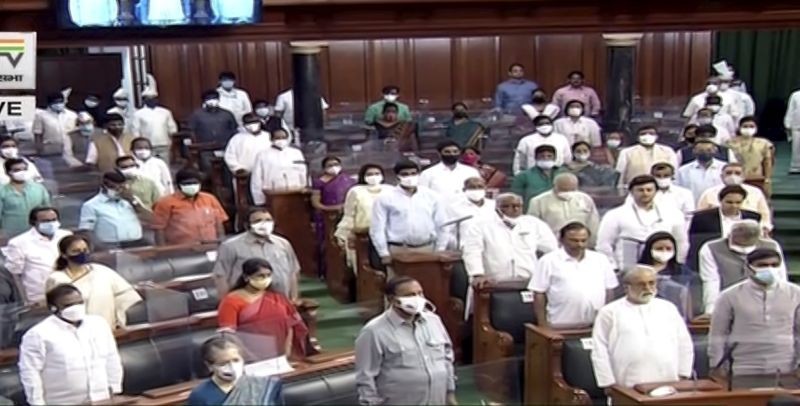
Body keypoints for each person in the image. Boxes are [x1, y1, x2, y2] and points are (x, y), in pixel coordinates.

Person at [355, 276, 457, 406]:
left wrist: (450, 392)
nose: (418, 298)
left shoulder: (433, 321)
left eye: (420, 293)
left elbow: (447, 358)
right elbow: (365, 376)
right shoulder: (373, 331)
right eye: (410, 295)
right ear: (392, 299)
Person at [18, 284, 123, 405]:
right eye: (68, 305)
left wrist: (115, 388)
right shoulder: (38, 335)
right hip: (63, 402)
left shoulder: (98, 324)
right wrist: (37, 403)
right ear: (53, 308)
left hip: (102, 398)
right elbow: (30, 372)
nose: (76, 308)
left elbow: (112, 358)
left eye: (80, 303)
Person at [591, 266, 694, 388]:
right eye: (641, 284)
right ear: (627, 288)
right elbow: (599, 349)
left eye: (651, 283)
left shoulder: (668, 308)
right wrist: (608, 384)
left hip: (670, 382)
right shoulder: (609, 312)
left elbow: (684, 343)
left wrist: (683, 374)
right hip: (626, 386)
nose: (647, 288)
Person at [709, 248, 800, 376]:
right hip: (743, 366)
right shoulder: (729, 296)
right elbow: (718, 334)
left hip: (786, 366)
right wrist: (716, 365)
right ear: (748, 267)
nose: (769, 269)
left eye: (774, 265)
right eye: (762, 265)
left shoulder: (796, 293)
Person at [218, 258, 308, 360]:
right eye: (260, 276)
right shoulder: (231, 301)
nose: (265, 279)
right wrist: (250, 357)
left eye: (268, 275)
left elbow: (291, 325)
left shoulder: (277, 297)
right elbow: (229, 334)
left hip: (281, 357)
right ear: (246, 277)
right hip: (249, 358)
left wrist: (287, 351)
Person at [531, 222, 617, 328]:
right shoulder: (548, 261)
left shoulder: (601, 259)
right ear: (561, 240)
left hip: (595, 325)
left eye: (583, 240)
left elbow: (609, 290)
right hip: (559, 325)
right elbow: (539, 293)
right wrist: (542, 324)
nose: (580, 244)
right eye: (574, 240)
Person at [45, 235, 142, 328]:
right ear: (64, 255)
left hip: (106, 326)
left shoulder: (101, 270)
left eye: (85, 250)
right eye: (76, 251)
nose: (82, 254)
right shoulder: (56, 278)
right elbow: (57, 308)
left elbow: (125, 295)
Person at [461, 192, 558, 284]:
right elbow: (472, 252)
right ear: (497, 208)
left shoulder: (534, 224)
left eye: (518, 206)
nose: (515, 209)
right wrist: (477, 274)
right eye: (507, 206)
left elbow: (552, 249)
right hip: (493, 282)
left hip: (528, 281)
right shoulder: (480, 225)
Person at [596, 175, 687, 272]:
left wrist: (678, 264)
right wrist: (613, 267)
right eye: (640, 190)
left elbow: (681, 241)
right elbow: (604, 244)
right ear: (631, 192)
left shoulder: (673, 213)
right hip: (627, 269)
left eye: (649, 190)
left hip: (664, 268)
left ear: (656, 191)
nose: (645, 193)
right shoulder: (615, 215)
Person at [698, 220, 786, 315]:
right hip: (728, 302)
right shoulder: (710, 248)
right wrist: (711, 310)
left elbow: (780, 277)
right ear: (729, 235)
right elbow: (711, 281)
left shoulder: (772, 246)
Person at [370, 160, 447, 267]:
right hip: (398, 250)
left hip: (427, 248)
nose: (410, 177)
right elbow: (377, 228)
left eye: (413, 173)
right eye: (405, 174)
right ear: (397, 176)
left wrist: (440, 249)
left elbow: (442, 225)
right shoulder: (384, 198)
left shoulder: (432, 196)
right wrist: (384, 253)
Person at [214, 207, 300, 299]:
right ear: (247, 225)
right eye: (258, 220)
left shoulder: (283, 244)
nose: (264, 224)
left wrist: (293, 298)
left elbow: (293, 272)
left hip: (281, 300)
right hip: (247, 302)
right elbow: (221, 275)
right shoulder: (230, 246)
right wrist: (225, 302)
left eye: (268, 220)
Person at [187, 334, 282, 406]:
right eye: (223, 363)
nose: (232, 367)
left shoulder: (263, 386)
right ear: (210, 366)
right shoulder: (200, 396)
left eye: (236, 360)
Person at [2, 207, 71, 304]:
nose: (51, 223)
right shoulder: (18, 243)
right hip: (38, 297)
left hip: (68, 291)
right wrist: (23, 300)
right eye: (45, 221)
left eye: (53, 220)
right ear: (33, 222)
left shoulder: (66, 235)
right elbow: (14, 274)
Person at [152, 169, 228, 245]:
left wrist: (221, 242)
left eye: (194, 183)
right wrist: (162, 249)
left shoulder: (210, 199)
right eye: (187, 183)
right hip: (180, 248)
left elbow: (219, 223)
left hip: (210, 246)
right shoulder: (165, 203)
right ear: (178, 185)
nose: (191, 185)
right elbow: (159, 229)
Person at [335, 164, 387, 272]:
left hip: (388, 233)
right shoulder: (356, 191)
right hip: (364, 234)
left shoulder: (390, 190)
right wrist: (347, 233)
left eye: (377, 173)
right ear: (363, 176)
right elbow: (349, 214)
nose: (374, 176)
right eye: (370, 174)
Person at [311, 156, 356, 277]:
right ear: (324, 168)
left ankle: (346, 272)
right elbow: (315, 203)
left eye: (336, 164)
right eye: (330, 165)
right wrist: (333, 208)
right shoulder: (319, 182)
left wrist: (345, 208)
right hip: (326, 217)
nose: (333, 167)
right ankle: (326, 273)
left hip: (346, 215)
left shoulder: (348, 180)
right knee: (325, 244)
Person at [79, 171, 147, 249]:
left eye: (122, 187)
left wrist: (132, 201)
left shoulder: (131, 201)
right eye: (115, 187)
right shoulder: (91, 205)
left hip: (137, 242)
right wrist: (101, 247)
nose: (119, 191)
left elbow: (149, 218)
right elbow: (86, 230)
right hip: (111, 245)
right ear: (104, 186)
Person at [696, 162, 772, 230]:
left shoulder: (756, 192)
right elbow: (699, 216)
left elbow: (765, 216)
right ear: (721, 176)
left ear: (743, 176)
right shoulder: (709, 193)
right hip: (717, 230)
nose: (733, 176)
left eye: (737, 173)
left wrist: (764, 228)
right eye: (728, 173)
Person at [528, 172, 600, 243]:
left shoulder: (585, 199)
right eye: (563, 190)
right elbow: (533, 226)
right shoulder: (538, 201)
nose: (567, 193)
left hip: (579, 242)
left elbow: (593, 223)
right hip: (551, 243)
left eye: (571, 190)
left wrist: (592, 243)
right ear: (555, 186)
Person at [637, 232, 695, 319]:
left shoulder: (682, 271)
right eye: (659, 248)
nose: (664, 251)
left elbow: (687, 298)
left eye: (668, 248)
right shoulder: (638, 270)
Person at [250, 128, 308, 205]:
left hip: (295, 192)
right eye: (277, 138)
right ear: (271, 139)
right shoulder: (262, 155)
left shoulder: (296, 153)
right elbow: (257, 178)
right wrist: (259, 199)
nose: (281, 140)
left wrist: (305, 189)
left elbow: (303, 172)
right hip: (273, 194)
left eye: (283, 137)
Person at [0, 158, 51, 238]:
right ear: (8, 173)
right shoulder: (2, 191)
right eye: (17, 170)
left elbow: (47, 210)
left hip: (36, 233)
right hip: (11, 233)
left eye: (24, 169)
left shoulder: (39, 188)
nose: (22, 172)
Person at [442, 177, 496, 250]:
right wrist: (458, 245)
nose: (476, 190)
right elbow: (446, 231)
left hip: (492, 248)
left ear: (485, 188)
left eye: (480, 187)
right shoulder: (454, 208)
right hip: (465, 249)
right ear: (464, 190)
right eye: (472, 187)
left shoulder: (494, 206)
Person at [690, 185, 761, 240]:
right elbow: (695, 242)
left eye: (738, 202)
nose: (734, 206)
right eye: (729, 202)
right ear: (720, 201)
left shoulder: (753, 218)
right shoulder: (702, 218)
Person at [511, 144, 568, 211]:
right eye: (542, 156)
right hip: (533, 211)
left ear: (555, 158)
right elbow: (515, 197)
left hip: (559, 210)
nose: (546, 158)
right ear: (536, 158)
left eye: (549, 156)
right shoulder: (523, 176)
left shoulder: (564, 174)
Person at [132, 82, 178, 164]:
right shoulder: (138, 114)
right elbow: (135, 131)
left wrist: (172, 138)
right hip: (147, 145)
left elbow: (172, 128)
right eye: (149, 98)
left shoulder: (165, 112)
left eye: (154, 98)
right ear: (144, 100)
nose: (152, 100)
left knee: (164, 165)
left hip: (164, 144)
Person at [727, 116, 774, 183]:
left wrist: (767, 177)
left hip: (757, 177)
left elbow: (767, 162)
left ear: (756, 128)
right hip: (735, 177)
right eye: (745, 126)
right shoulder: (730, 143)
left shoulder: (764, 143)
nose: (748, 128)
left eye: (751, 126)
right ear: (739, 128)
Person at [224, 112, 273, 177]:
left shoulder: (268, 136)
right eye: (249, 123)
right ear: (244, 125)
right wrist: (237, 168)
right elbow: (230, 155)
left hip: (267, 173)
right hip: (244, 174)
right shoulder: (236, 138)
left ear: (260, 122)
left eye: (254, 122)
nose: (252, 125)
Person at [33, 92, 78, 156]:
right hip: (49, 149)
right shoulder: (41, 116)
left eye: (60, 102)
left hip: (69, 149)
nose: (58, 104)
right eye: (55, 102)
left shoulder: (72, 115)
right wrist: (39, 149)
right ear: (50, 103)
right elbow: (37, 134)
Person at [784, 87, 800, 174]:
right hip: (797, 125)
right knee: (796, 147)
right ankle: (796, 166)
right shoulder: (795, 95)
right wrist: (787, 123)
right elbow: (790, 109)